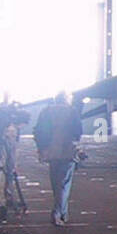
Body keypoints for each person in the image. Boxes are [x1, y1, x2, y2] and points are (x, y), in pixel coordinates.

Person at [33, 91, 83, 225]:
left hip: (51, 152)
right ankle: (58, 213)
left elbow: (38, 131)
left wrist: (42, 149)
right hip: (67, 151)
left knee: (56, 183)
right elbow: (78, 131)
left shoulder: (46, 111)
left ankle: (63, 213)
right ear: (67, 99)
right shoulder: (72, 111)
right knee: (64, 184)